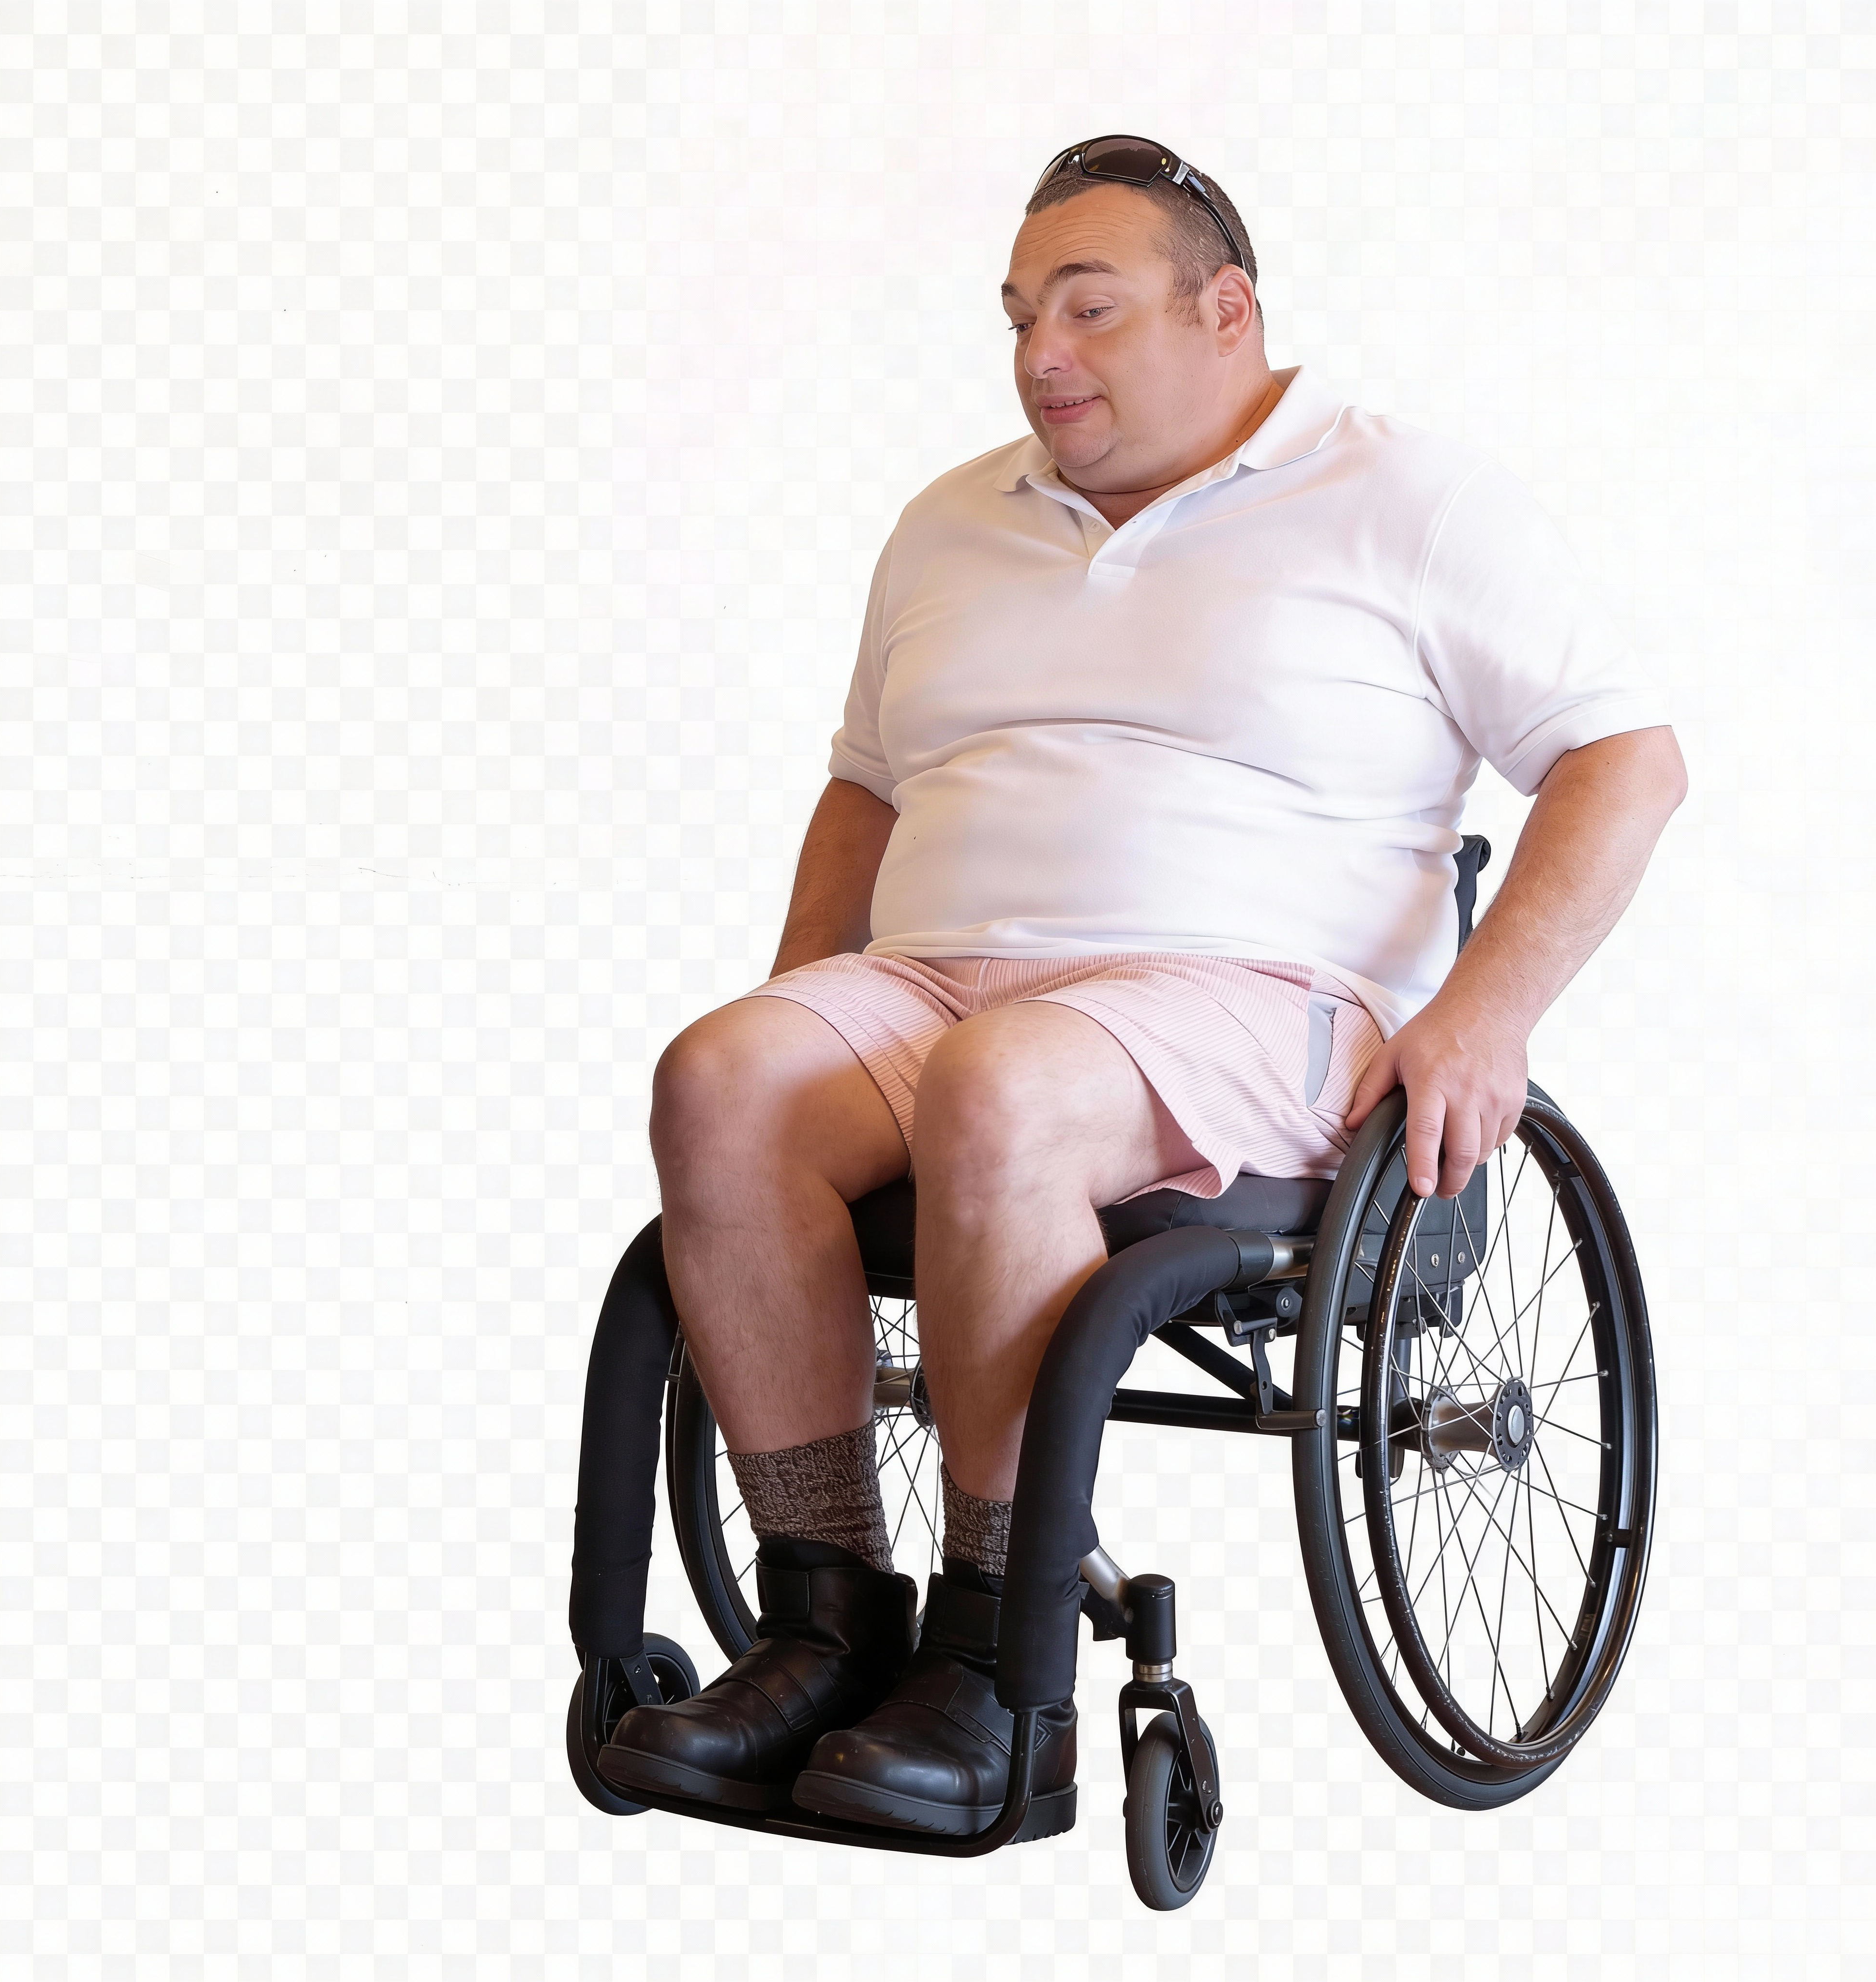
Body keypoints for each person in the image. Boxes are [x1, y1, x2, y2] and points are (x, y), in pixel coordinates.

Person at [596, 135, 1686, 1837]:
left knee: (1007, 1085)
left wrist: (1486, 1010)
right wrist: (803, 998)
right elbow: (867, 790)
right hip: (943, 974)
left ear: (1225, 310)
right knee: (720, 1080)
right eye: (1024, 316)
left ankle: (996, 1669)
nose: (1044, 354)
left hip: (1261, 997)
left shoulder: (1403, 496)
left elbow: (1624, 759)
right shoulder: (950, 520)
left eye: (1091, 311)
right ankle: (824, 1621)